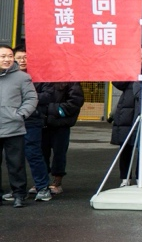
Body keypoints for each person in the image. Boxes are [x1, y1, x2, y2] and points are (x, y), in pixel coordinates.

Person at [20, 60, 83, 201]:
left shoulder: (69, 78)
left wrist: (53, 110)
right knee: (41, 152)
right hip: (40, 122)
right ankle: (42, 182)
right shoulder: (36, 77)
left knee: (59, 153)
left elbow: (75, 101)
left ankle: (57, 181)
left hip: (59, 123)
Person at [0, 45, 37, 207]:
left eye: (9, 56)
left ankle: (19, 195)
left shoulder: (22, 77)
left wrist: (20, 114)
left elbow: (31, 98)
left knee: (16, 164)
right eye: (3, 56)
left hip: (13, 128)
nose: (7, 59)